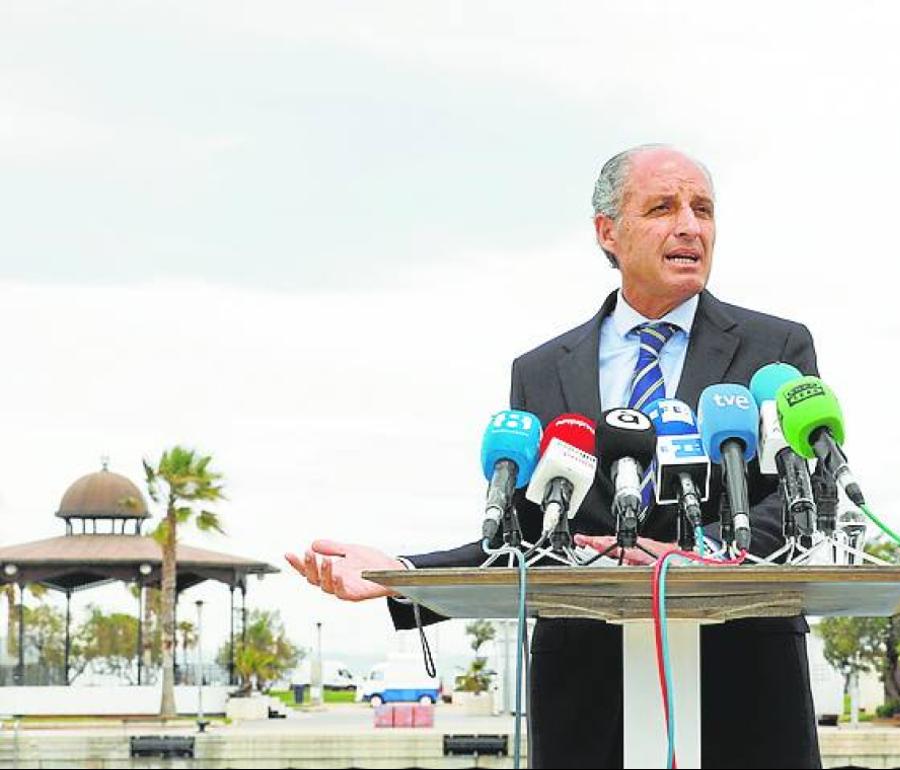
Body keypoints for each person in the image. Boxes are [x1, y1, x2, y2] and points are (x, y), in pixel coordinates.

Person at [287, 144, 823, 768]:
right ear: (608, 233)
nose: (690, 226)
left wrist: (702, 555)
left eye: (703, 209)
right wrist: (400, 575)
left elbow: (796, 497)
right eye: (662, 207)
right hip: (584, 692)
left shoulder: (776, 347)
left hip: (744, 682)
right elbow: (528, 536)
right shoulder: (541, 372)